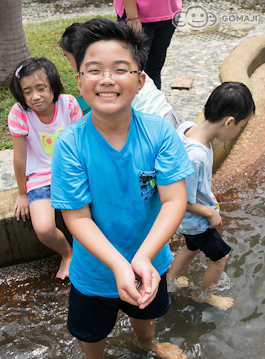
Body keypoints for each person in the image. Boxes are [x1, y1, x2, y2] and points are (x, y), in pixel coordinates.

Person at [51, 18, 193, 359]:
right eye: (94, 70)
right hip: (95, 273)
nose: (107, 79)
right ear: (79, 80)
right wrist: (118, 265)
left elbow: (174, 200)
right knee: (91, 334)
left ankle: (147, 344)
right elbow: (78, 218)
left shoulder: (160, 133)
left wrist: (142, 257)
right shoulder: (70, 144)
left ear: (141, 80)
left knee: (146, 315)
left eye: (120, 69)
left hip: (151, 261)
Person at [168, 82, 255, 310]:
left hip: (188, 222)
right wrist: (209, 212)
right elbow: (182, 200)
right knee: (221, 257)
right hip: (196, 220)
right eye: (241, 127)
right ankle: (205, 295)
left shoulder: (187, 127)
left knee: (191, 248)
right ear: (229, 122)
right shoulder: (195, 155)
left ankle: (170, 281)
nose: (238, 131)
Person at [8, 57, 83, 280]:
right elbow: (19, 156)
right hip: (39, 178)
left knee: (91, 217)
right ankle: (68, 255)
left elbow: (81, 143)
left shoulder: (68, 104)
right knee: (44, 229)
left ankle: (90, 255)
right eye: (27, 91)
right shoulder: (20, 113)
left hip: (71, 172)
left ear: (53, 84)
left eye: (41, 88)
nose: (35, 96)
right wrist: (22, 193)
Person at [59, 22, 180, 128]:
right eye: (95, 70)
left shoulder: (157, 130)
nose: (107, 80)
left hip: (156, 120)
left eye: (68, 57)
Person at [113, 0, 182, 89]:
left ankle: (153, 102)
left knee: (154, 69)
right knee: (132, 70)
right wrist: (132, 17)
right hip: (136, 16)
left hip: (169, 13)